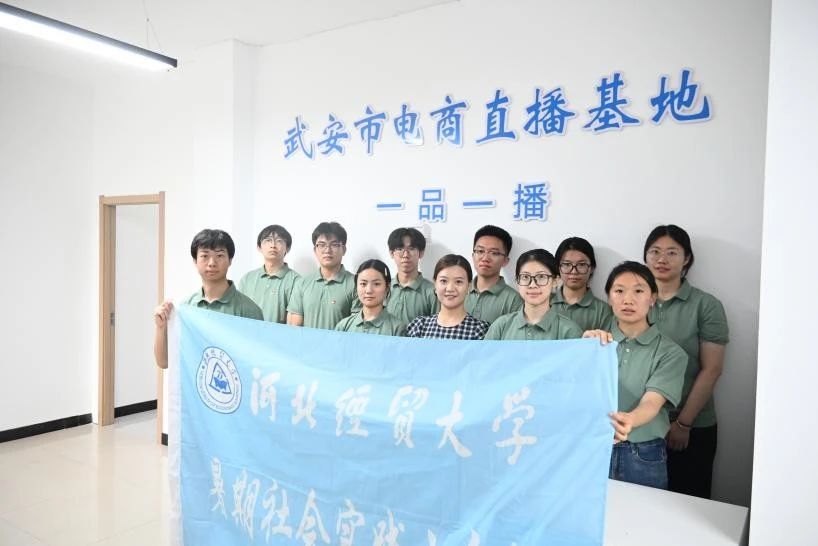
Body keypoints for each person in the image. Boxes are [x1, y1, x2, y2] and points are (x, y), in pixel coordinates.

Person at [643, 225, 729, 499]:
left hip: (691, 426)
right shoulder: (634, 301)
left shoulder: (705, 305)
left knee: (687, 505)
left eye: (672, 252)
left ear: (687, 259)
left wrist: (683, 424)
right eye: (655, 251)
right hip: (644, 423)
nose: (662, 259)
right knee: (642, 505)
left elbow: (712, 369)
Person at [584, 261, 687, 489]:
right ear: (609, 298)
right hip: (592, 446)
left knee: (643, 512)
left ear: (652, 298)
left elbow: (652, 402)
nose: (628, 299)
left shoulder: (671, 353)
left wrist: (629, 420)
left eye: (638, 291)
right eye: (619, 291)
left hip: (643, 453)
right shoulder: (594, 343)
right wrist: (581, 351)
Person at [153, 229, 262, 369]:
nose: (212, 263)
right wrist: (161, 327)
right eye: (204, 256)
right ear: (195, 261)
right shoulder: (186, 308)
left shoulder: (249, 310)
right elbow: (164, 362)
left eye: (219, 255)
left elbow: (257, 364)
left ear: (230, 260)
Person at [485, 249, 582, 340]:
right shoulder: (500, 326)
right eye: (525, 277)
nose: (532, 285)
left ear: (555, 281)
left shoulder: (570, 331)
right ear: (517, 281)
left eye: (541, 277)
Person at [287, 221, 358, 329]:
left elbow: (356, 328)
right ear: (315, 250)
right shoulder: (302, 284)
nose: (327, 250)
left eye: (334, 244)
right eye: (321, 245)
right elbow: (293, 327)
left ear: (343, 250)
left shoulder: (356, 284)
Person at [407, 254, 490, 340]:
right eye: (443, 281)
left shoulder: (480, 330)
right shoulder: (419, 326)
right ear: (435, 284)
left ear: (469, 286)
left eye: (458, 282)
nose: (450, 288)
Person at [238, 224, 300, 323]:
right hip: (247, 332)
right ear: (259, 247)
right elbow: (238, 314)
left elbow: (293, 323)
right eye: (268, 240)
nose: (273, 245)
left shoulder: (297, 281)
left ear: (287, 248)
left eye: (279, 241)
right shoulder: (247, 279)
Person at [551, 236, 613, 331]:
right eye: (567, 264)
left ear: (592, 268)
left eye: (581, 264)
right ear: (558, 267)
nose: (574, 271)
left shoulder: (602, 311)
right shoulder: (545, 303)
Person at [465, 225, 523, 324]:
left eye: (494, 253)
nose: (485, 258)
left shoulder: (514, 300)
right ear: (473, 255)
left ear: (505, 261)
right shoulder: (459, 290)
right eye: (480, 251)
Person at [335, 259, 406, 336]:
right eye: (363, 284)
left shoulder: (397, 329)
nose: (369, 290)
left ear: (387, 288)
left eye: (376, 284)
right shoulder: (343, 326)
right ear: (356, 287)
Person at [384, 227, 438, 323]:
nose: (405, 255)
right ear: (391, 253)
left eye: (411, 248)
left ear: (421, 253)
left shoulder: (432, 292)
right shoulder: (384, 288)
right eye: (400, 249)